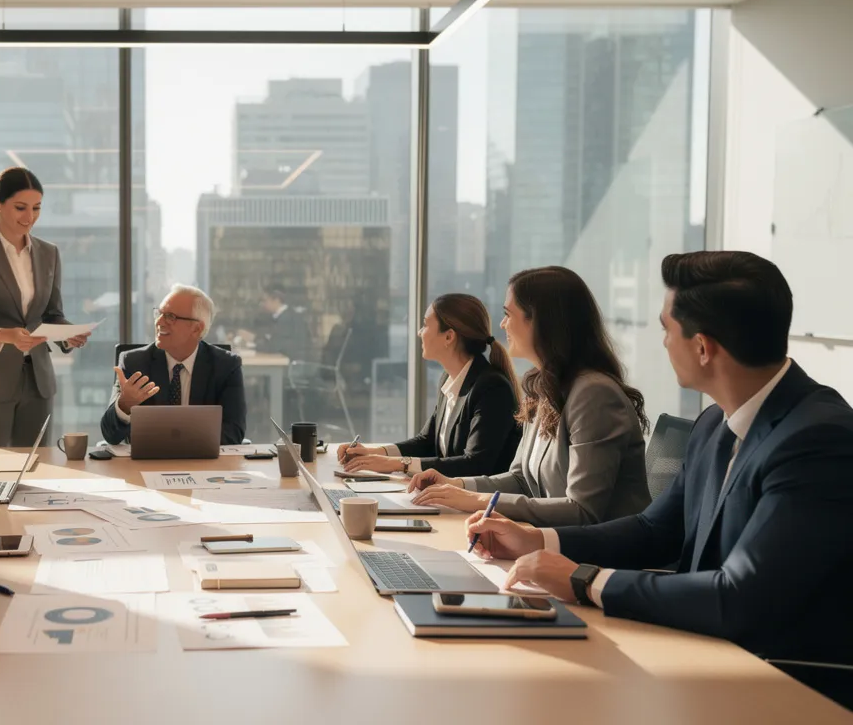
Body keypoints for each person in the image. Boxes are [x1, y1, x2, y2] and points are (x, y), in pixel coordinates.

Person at [467, 252, 853, 707]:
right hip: (702, 656)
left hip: (783, 688)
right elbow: (654, 530)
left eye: (667, 330)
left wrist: (582, 579)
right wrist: (539, 542)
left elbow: (741, 596)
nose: (664, 343)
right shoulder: (714, 424)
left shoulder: (818, 440)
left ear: (703, 347)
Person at [407, 267, 651, 525]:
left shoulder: (594, 395)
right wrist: (456, 485)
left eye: (508, 314)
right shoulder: (543, 387)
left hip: (598, 557)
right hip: (554, 544)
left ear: (541, 321)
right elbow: (522, 480)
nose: (502, 324)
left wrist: (478, 501)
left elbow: (582, 511)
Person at [0, 167, 90, 447]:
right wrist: (4, 335)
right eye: (20, 207)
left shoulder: (49, 253)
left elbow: (51, 314)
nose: (30, 217)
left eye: (36, 208)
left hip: (38, 383)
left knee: (36, 470)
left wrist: (67, 334)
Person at [338, 293, 520, 478]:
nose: (419, 332)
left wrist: (396, 464)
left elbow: (476, 464)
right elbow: (427, 441)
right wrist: (373, 453)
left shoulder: (492, 388)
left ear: (449, 337)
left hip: (479, 504)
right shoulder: (449, 379)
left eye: (425, 325)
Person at [101, 285, 246, 445]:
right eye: (159, 313)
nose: (159, 322)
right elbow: (110, 435)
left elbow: (234, 433)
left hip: (202, 465)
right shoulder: (134, 362)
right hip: (144, 465)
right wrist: (124, 405)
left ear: (196, 328)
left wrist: (175, 443)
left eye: (170, 316)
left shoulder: (226, 366)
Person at [239, 284, 314, 363]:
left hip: (292, 368)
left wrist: (254, 339)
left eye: (264, 300)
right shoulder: (283, 316)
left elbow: (274, 347)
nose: (262, 304)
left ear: (276, 300)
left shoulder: (287, 319)